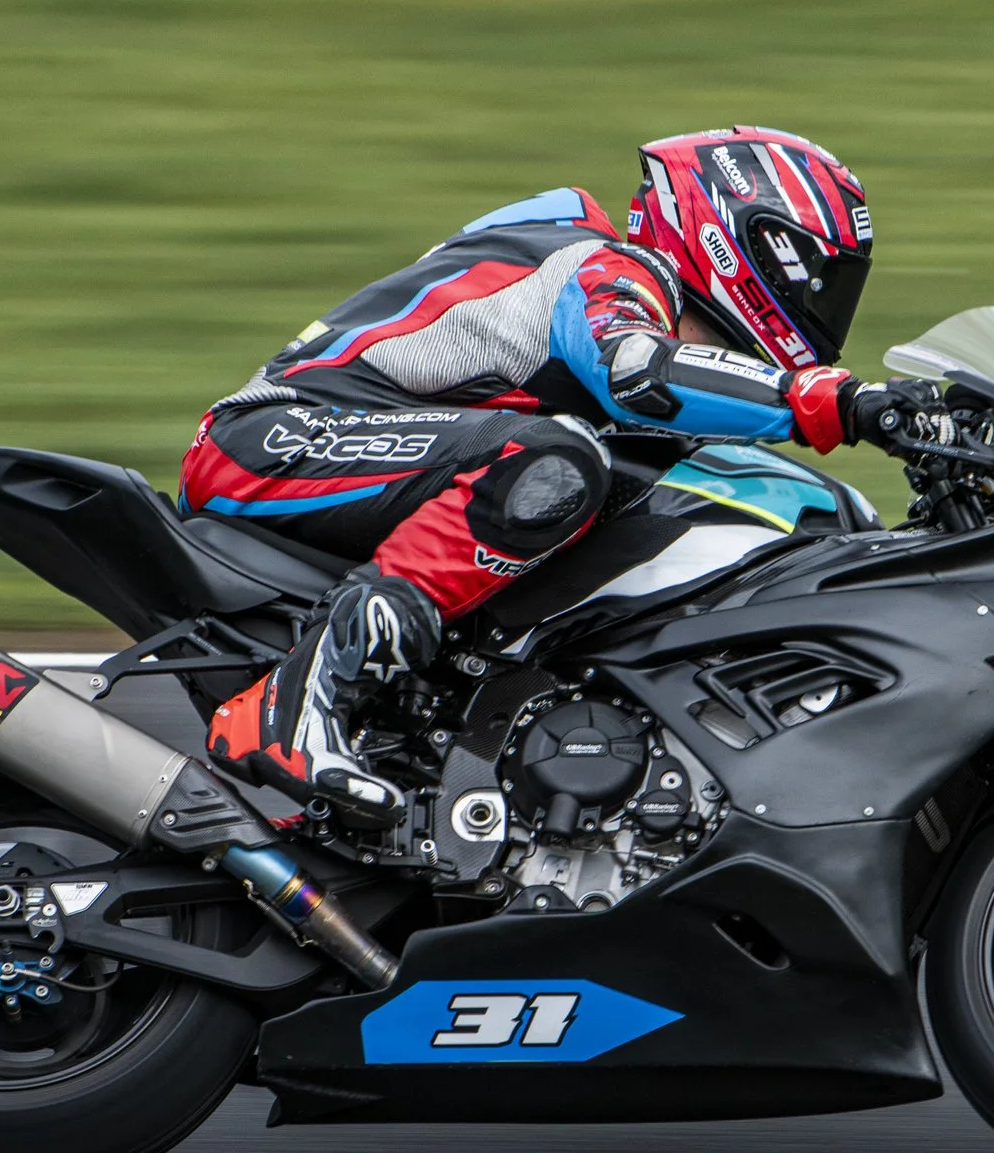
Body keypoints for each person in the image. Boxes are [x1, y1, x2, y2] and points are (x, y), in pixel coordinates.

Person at [185, 127, 949, 826]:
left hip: (374, 455)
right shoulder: (608, 268)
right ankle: (297, 703)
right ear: (743, 245)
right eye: (821, 281)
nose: (828, 309)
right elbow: (637, 372)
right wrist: (837, 402)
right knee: (557, 462)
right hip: (275, 439)